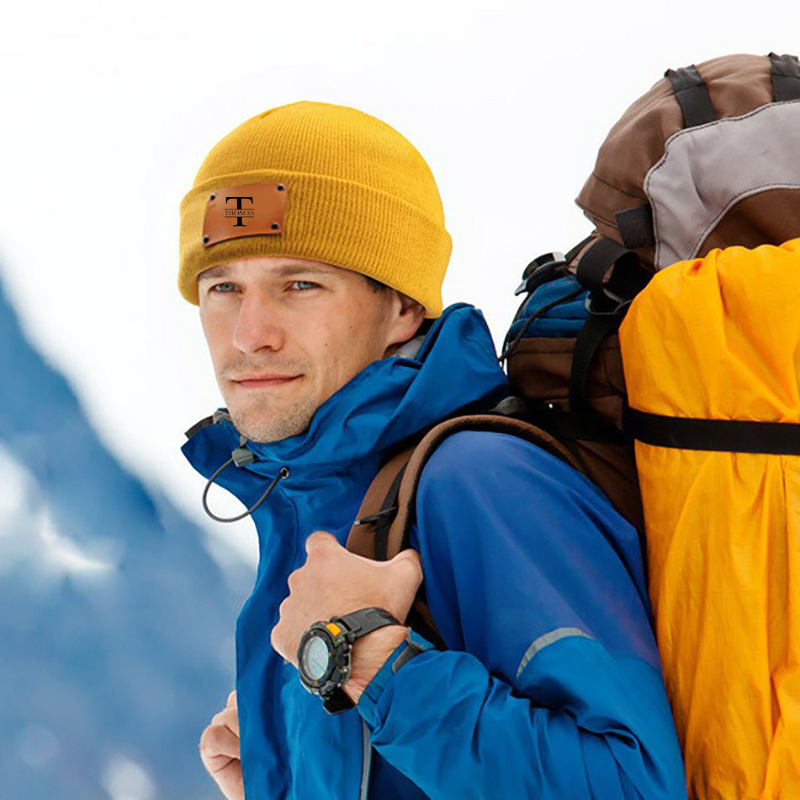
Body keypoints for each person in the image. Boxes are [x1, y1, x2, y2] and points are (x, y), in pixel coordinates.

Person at [177, 101, 687, 799]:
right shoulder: (312, 496)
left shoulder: (480, 480)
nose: (249, 333)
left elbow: (631, 786)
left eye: (299, 285)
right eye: (223, 288)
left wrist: (367, 659)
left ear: (403, 307)